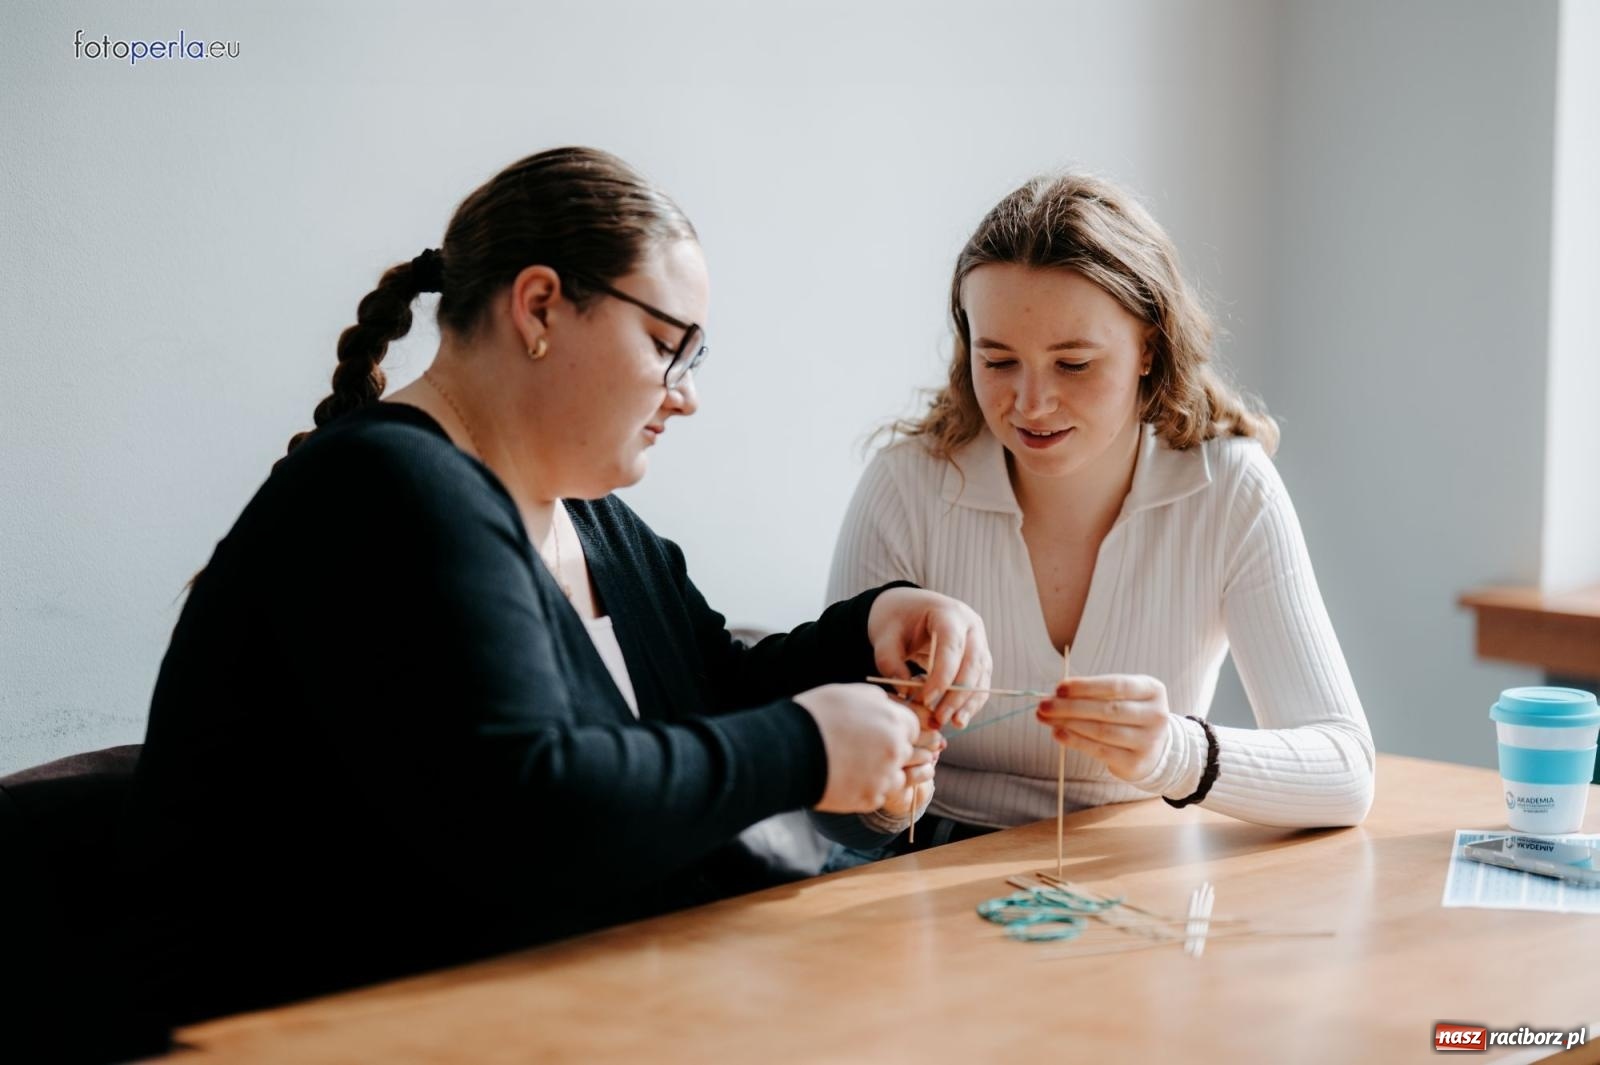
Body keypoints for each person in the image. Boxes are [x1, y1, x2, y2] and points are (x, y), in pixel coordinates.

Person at [116, 147, 992, 1024]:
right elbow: (530, 811)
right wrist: (803, 747)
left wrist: (873, 627)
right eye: (665, 347)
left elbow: (709, 692)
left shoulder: (589, 519)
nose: (685, 397)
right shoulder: (386, 492)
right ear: (539, 306)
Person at [821, 171, 1374, 857]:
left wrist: (1175, 751)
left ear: (1149, 345)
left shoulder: (1231, 489)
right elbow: (827, 788)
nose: (1030, 403)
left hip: (1136, 864)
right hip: (927, 860)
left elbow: (1346, 772)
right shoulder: (906, 485)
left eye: (1073, 364)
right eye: (997, 360)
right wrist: (886, 799)